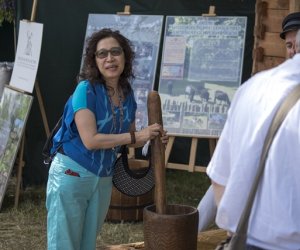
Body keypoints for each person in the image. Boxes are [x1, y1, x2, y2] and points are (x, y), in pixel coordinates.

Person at [46, 28, 168, 250]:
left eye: (115, 52)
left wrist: (151, 136)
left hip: (103, 177)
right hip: (72, 174)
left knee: (87, 243)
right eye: (102, 54)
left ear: (125, 57)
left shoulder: (127, 92)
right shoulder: (86, 90)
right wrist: (136, 135)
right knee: (64, 244)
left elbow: (130, 140)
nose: (109, 58)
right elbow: (90, 140)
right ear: (94, 60)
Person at [196, 12, 300, 232]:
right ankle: (189, 233)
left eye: (296, 44)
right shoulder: (262, 87)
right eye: (289, 45)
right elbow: (222, 174)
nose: (294, 51)